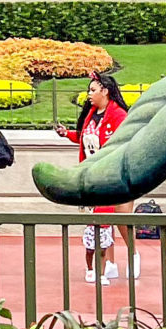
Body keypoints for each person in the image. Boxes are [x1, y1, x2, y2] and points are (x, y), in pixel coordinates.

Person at [61, 72, 131, 283]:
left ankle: (104, 268)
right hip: (90, 175)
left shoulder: (119, 116)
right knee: (95, 223)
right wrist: (67, 134)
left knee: (103, 221)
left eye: (93, 90)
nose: (89, 94)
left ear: (105, 91)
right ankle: (99, 266)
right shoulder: (91, 113)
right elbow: (84, 137)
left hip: (108, 175)